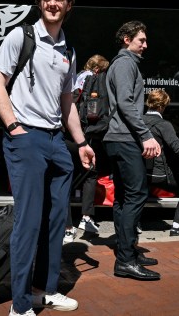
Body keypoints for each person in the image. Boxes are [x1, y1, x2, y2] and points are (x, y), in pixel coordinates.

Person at [0, 0, 95, 316]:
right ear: (39, 2)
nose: (52, 3)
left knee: (57, 222)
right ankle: (20, 307)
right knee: (29, 222)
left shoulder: (69, 50)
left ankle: (43, 290)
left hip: (56, 142)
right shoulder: (21, 37)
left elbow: (67, 103)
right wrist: (14, 127)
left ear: (68, 5)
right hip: (27, 138)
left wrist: (80, 142)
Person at [103, 20, 162, 281]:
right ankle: (126, 260)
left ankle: (127, 251)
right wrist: (145, 135)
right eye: (141, 40)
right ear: (126, 39)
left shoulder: (122, 64)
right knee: (137, 194)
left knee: (123, 198)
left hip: (117, 139)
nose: (146, 45)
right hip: (125, 139)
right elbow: (127, 104)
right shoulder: (125, 64)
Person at [143, 89, 179, 236]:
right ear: (162, 106)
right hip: (159, 172)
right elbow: (178, 149)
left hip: (140, 171)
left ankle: (133, 225)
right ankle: (176, 227)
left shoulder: (138, 121)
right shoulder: (164, 124)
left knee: (135, 196)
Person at [64, 54, 110, 244]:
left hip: (69, 134)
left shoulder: (77, 77)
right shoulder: (92, 79)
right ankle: (86, 217)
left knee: (65, 178)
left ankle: (67, 227)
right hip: (85, 134)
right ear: (98, 69)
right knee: (90, 173)